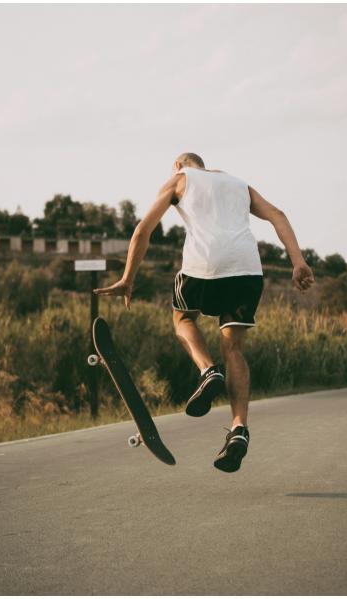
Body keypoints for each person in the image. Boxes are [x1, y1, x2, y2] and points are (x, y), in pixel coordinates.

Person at [93, 152, 315, 472]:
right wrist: (298, 261)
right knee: (234, 348)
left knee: (182, 318)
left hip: (205, 266)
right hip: (246, 269)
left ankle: (208, 371)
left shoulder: (179, 179)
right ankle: (239, 428)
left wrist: (128, 279)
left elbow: (144, 229)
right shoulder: (239, 184)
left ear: (178, 166)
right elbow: (277, 214)